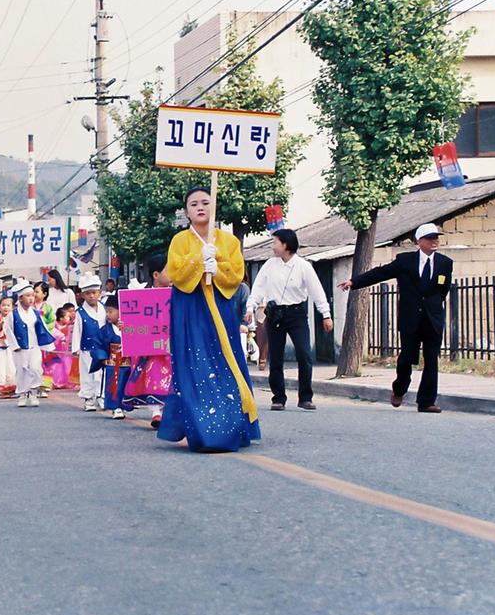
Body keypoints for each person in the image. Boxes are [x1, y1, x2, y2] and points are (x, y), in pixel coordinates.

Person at [158, 187, 260, 452]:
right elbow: (175, 275)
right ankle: (203, 429)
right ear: (186, 211)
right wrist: (197, 260)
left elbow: (236, 274)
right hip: (190, 307)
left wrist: (219, 266)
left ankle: (232, 424)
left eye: (206, 202)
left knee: (226, 360)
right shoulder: (179, 240)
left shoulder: (228, 241)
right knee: (195, 362)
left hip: (220, 307)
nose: (200, 207)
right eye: (194, 204)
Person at [338, 222, 452, 413]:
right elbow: (381, 273)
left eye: (436, 238)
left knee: (432, 360)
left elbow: (443, 290)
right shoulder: (405, 261)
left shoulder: (445, 263)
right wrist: (354, 282)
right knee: (407, 358)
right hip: (410, 319)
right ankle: (399, 389)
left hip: (433, 320)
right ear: (419, 241)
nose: (435, 241)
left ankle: (426, 401)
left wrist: (433, 308)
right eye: (430, 238)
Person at [245, 228, 334, 412]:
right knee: (276, 357)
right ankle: (278, 398)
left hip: (296, 314)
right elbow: (259, 287)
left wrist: (325, 314)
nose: (272, 246)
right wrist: (250, 307)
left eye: (275, 242)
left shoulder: (303, 266)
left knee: (304, 354)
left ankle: (305, 397)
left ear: (285, 245)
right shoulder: (269, 265)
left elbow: (316, 290)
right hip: (275, 313)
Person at [125, 252, 176, 430]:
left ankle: (170, 411)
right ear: (156, 275)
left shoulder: (178, 295)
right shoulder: (143, 297)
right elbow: (134, 321)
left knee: (171, 378)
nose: (174, 274)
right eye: (169, 270)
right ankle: (156, 412)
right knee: (153, 376)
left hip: (172, 345)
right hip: (152, 348)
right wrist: (127, 326)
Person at [7, 279, 56, 408]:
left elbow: (43, 329)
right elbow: (9, 330)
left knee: (35, 369)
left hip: (34, 347)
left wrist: (48, 346)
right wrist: (15, 346)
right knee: (22, 370)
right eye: (28, 296)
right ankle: (23, 394)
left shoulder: (35, 313)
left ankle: (33, 393)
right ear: (20, 298)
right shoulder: (13, 314)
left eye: (32, 295)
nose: (31, 298)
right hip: (20, 348)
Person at [71, 274, 106, 412]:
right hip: (87, 349)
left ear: (99, 293)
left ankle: (101, 396)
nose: (91, 296)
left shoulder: (105, 309)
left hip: (103, 348)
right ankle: (89, 398)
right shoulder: (80, 312)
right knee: (87, 374)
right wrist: (76, 348)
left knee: (102, 374)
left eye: (94, 293)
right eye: (88, 293)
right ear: (82, 295)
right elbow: (77, 330)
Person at [96, 294, 132, 420]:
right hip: (112, 363)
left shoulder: (129, 327)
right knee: (114, 385)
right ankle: (115, 407)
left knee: (127, 385)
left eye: (111, 311)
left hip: (127, 363)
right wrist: (102, 358)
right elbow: (98, 344)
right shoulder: (105, 330)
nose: (108, 314)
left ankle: (124, 405)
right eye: (107, 311)